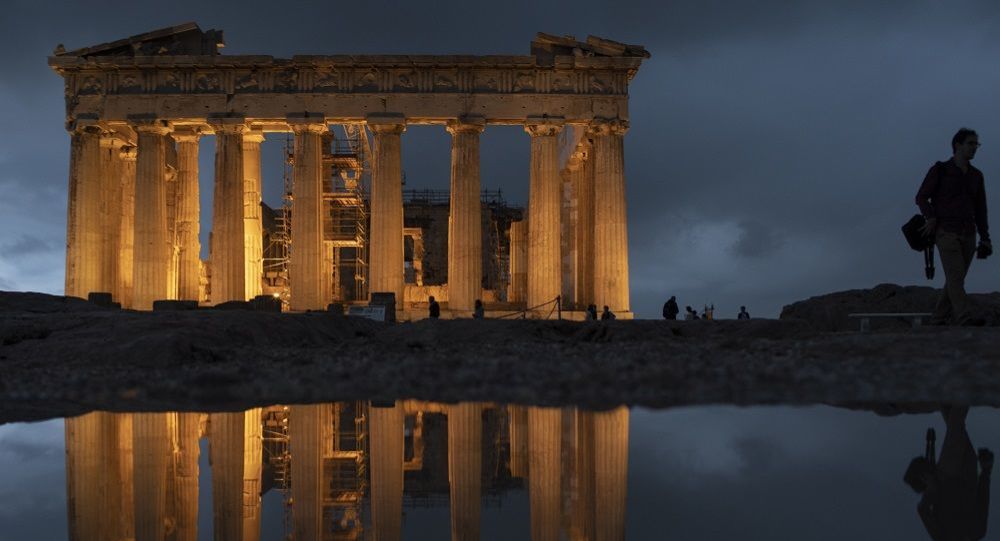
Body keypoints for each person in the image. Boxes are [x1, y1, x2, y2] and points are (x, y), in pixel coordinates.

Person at [916, 128, 991, 325]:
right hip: (946, 231)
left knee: (954, 279)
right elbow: (921, 197)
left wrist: (985, 237)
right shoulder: (940, 170)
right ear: (958, 145)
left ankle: (939, 318)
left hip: (969, 233)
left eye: (977, 144)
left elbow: (981, 208)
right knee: (956, 276)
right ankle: (964, 317)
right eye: (970, 143)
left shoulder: (976, 176)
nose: (974, 148)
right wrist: (930, 217)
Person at [904, 405, 992, 540]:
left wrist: (932, 490)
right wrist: (986, 470)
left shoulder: (948, 538)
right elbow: (983, 498)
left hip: (949, 476)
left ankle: (958, 390)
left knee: (956, 425)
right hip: (966, 470)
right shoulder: (978, 532)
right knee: (956, 425)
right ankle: (954, 393)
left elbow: (923, 510)